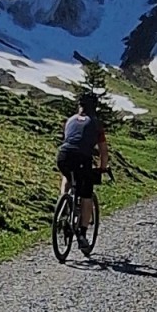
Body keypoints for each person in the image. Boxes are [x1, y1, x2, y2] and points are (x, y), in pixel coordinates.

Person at [57, 91, 110, 234]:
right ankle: (82, 233)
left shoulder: (70, 120)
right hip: (82, 158)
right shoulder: (96, 124)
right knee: (86, 195)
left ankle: (63, 200)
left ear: (80, 106)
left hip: (63, 155)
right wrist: (102, 168)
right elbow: (103, 153)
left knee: (67, 175)